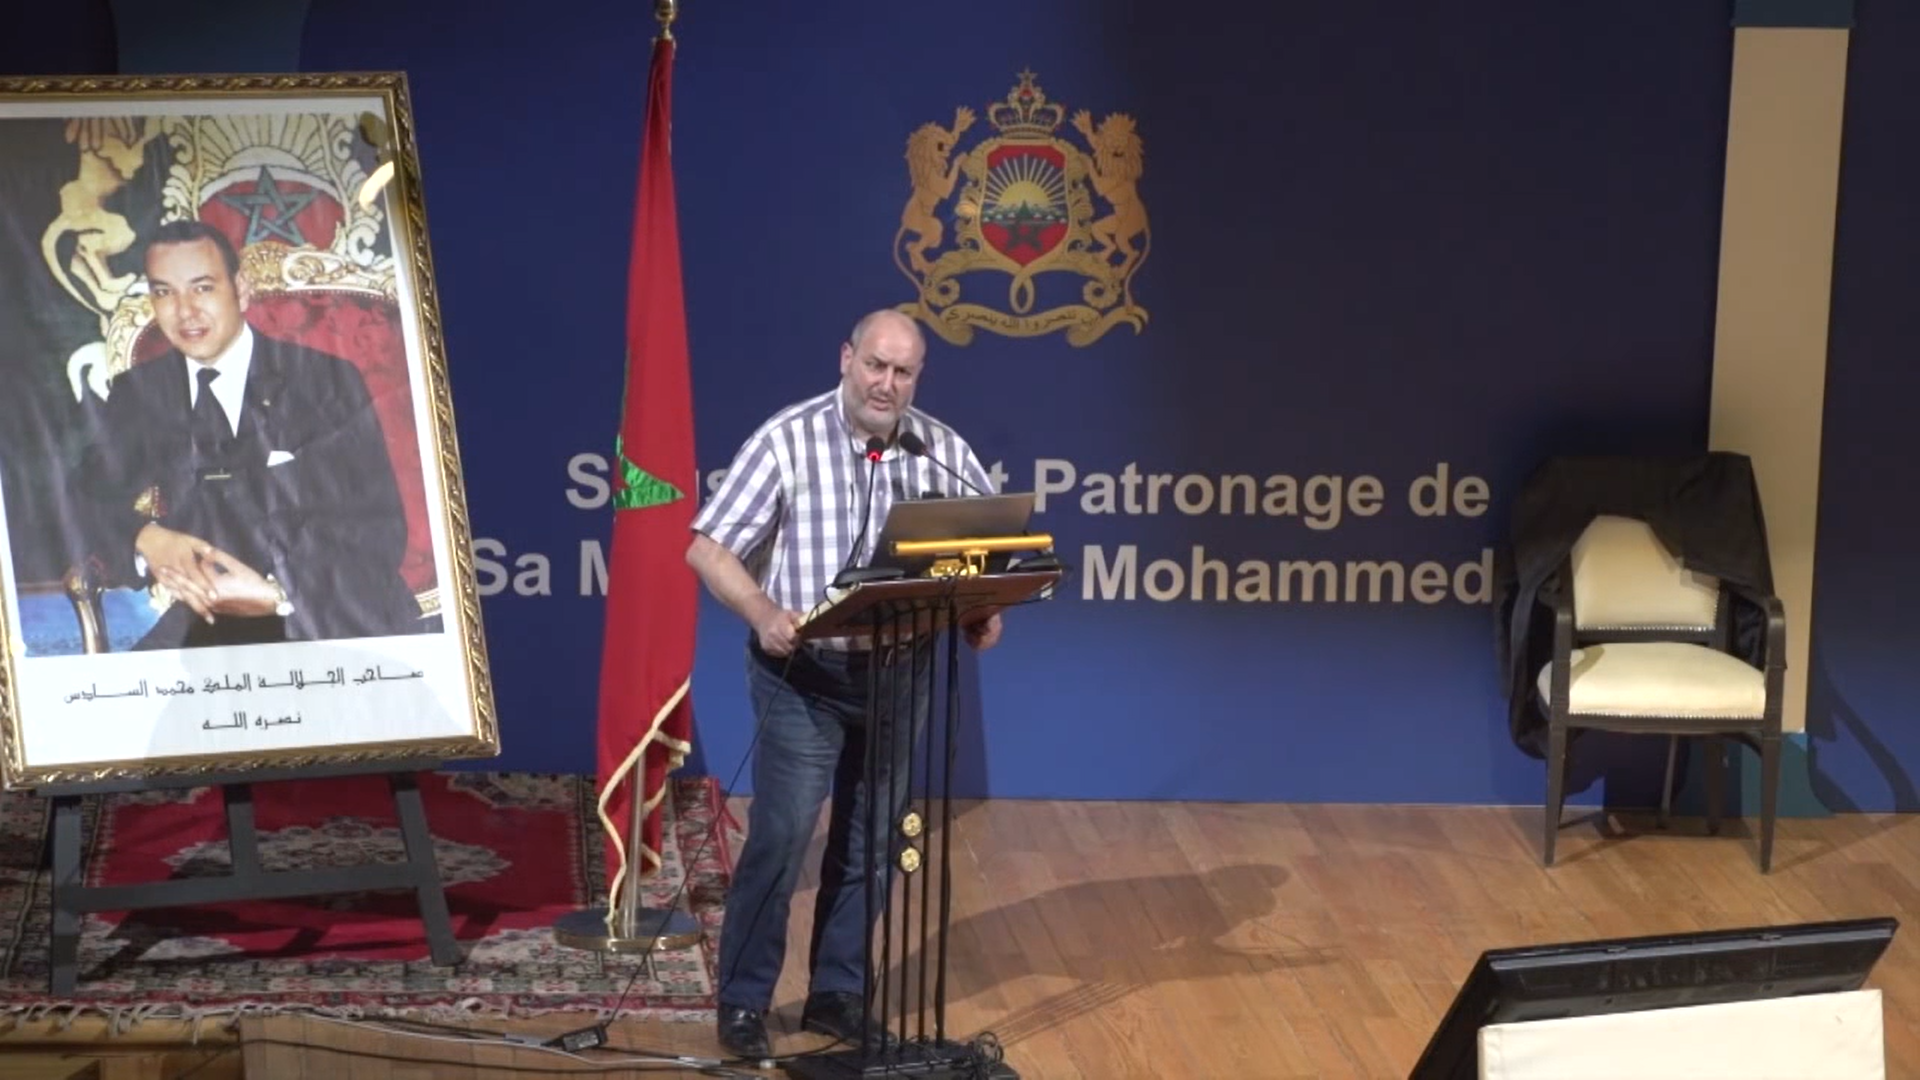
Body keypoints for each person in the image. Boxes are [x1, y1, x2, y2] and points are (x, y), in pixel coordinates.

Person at [687, 308, 1004, 1059]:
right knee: (783, 835)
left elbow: (981, 560)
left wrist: (979, 613)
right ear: (846, 359)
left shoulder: (944, 451)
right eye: (875, 366)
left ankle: (837, 994)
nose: (886, 384)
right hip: (804, 676)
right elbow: (708, 548)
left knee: (872, 840)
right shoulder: (787, 440)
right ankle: (743, 1001)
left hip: (901, 674)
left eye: (903, 372)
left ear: (918, 377)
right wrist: (762, 611)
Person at [81, 219, 423, 650]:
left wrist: (279, 597)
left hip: (333, 614)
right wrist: (145, 539)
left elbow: (379, 529)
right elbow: (82, 498)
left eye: (203, 288)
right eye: (164, 292)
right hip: (204, 623)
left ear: (240, 290)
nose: (185, 311)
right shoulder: (141, 392)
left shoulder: (324, 379)